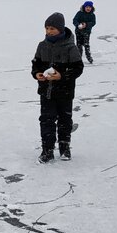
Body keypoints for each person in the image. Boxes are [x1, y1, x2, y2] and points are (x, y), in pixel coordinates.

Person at [31, 12, 84, 163]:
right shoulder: (42, 46)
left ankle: (64, 147)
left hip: (65, 92)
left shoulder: (70, 48)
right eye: (47, 28)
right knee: (46, 120)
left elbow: (78, 68)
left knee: (65, 119)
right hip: (46, 92)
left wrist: (62, 76)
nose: (48, 31)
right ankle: (47, 150)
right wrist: (37, 74)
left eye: (52, 28)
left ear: (60, 29)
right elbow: (35, 64)